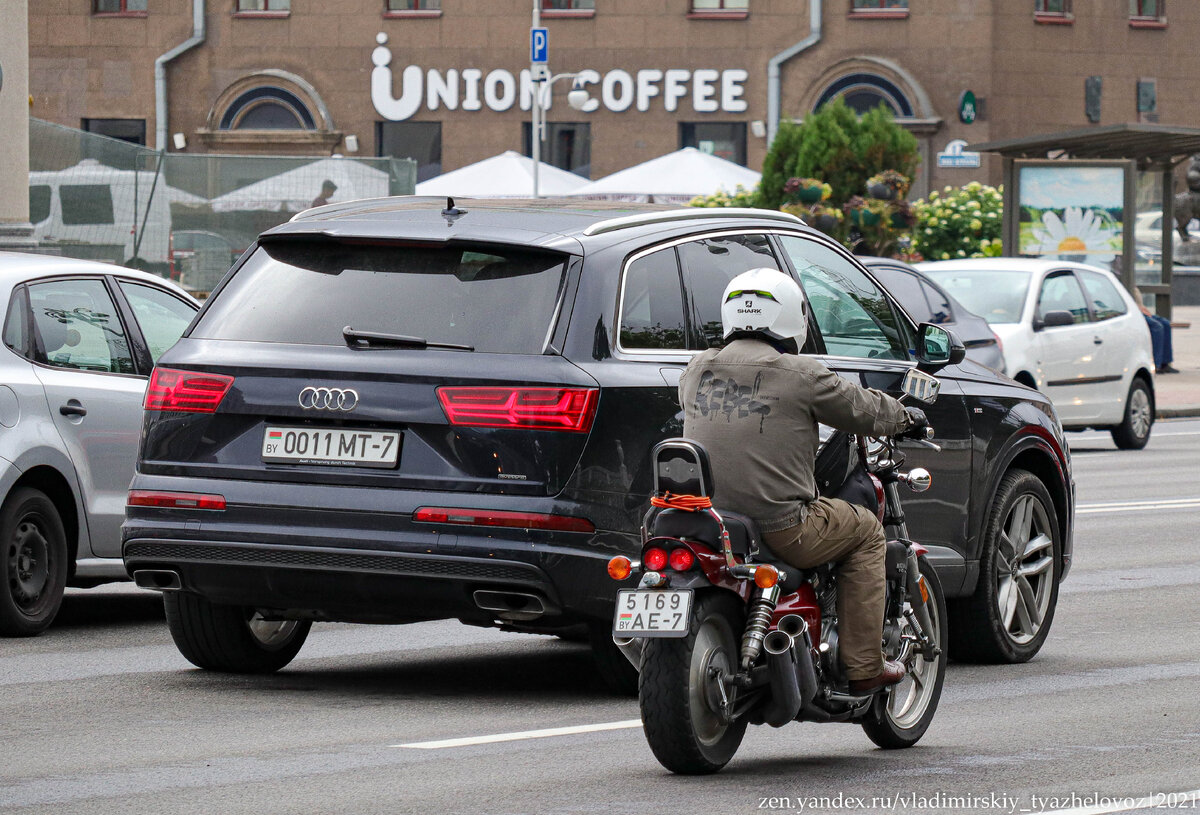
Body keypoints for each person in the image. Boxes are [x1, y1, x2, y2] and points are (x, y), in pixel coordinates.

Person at [678, 267, 926, 694]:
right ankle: (864, 665)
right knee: (866, 530)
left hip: (707, 523)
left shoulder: (696, 367)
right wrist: (907, 417)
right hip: (782, 526)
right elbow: (864, 409)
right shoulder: (801, 373)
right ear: (792, 316)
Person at [1134, 286, 1177, 374]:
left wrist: (1142, 308)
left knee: (1165, 324)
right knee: (1156, 326)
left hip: (1140, 311)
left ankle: (1165, 362)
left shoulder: (1128, 281)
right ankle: (1156, 364)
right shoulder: (1121, 281)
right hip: (1134, 313)